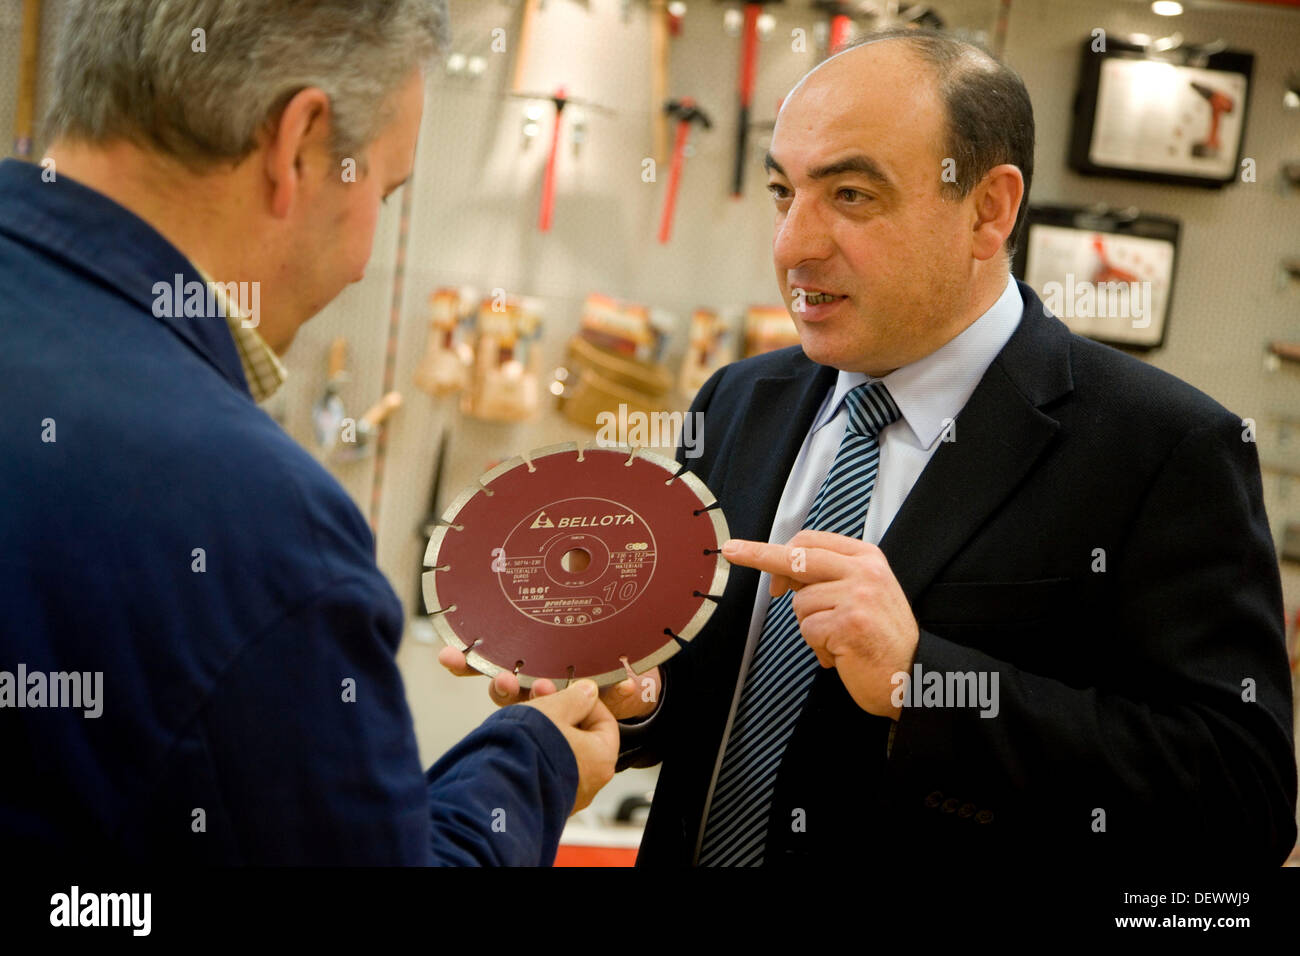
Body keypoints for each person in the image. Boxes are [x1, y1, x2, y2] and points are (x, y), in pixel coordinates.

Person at [445, 28, 1298, 867]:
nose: (792, 246)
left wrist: (922, 681)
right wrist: (638, 697)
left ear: (988, 209)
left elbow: (1242, 803)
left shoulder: (1162, 447)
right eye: (785, 193)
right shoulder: (741, 401)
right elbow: (718, 696)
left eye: (850, 195)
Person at [0, 0, 617, 866]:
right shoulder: (261, 526)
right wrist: (531, 763)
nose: (368, 251)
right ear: (298, 146)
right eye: (385, 191)